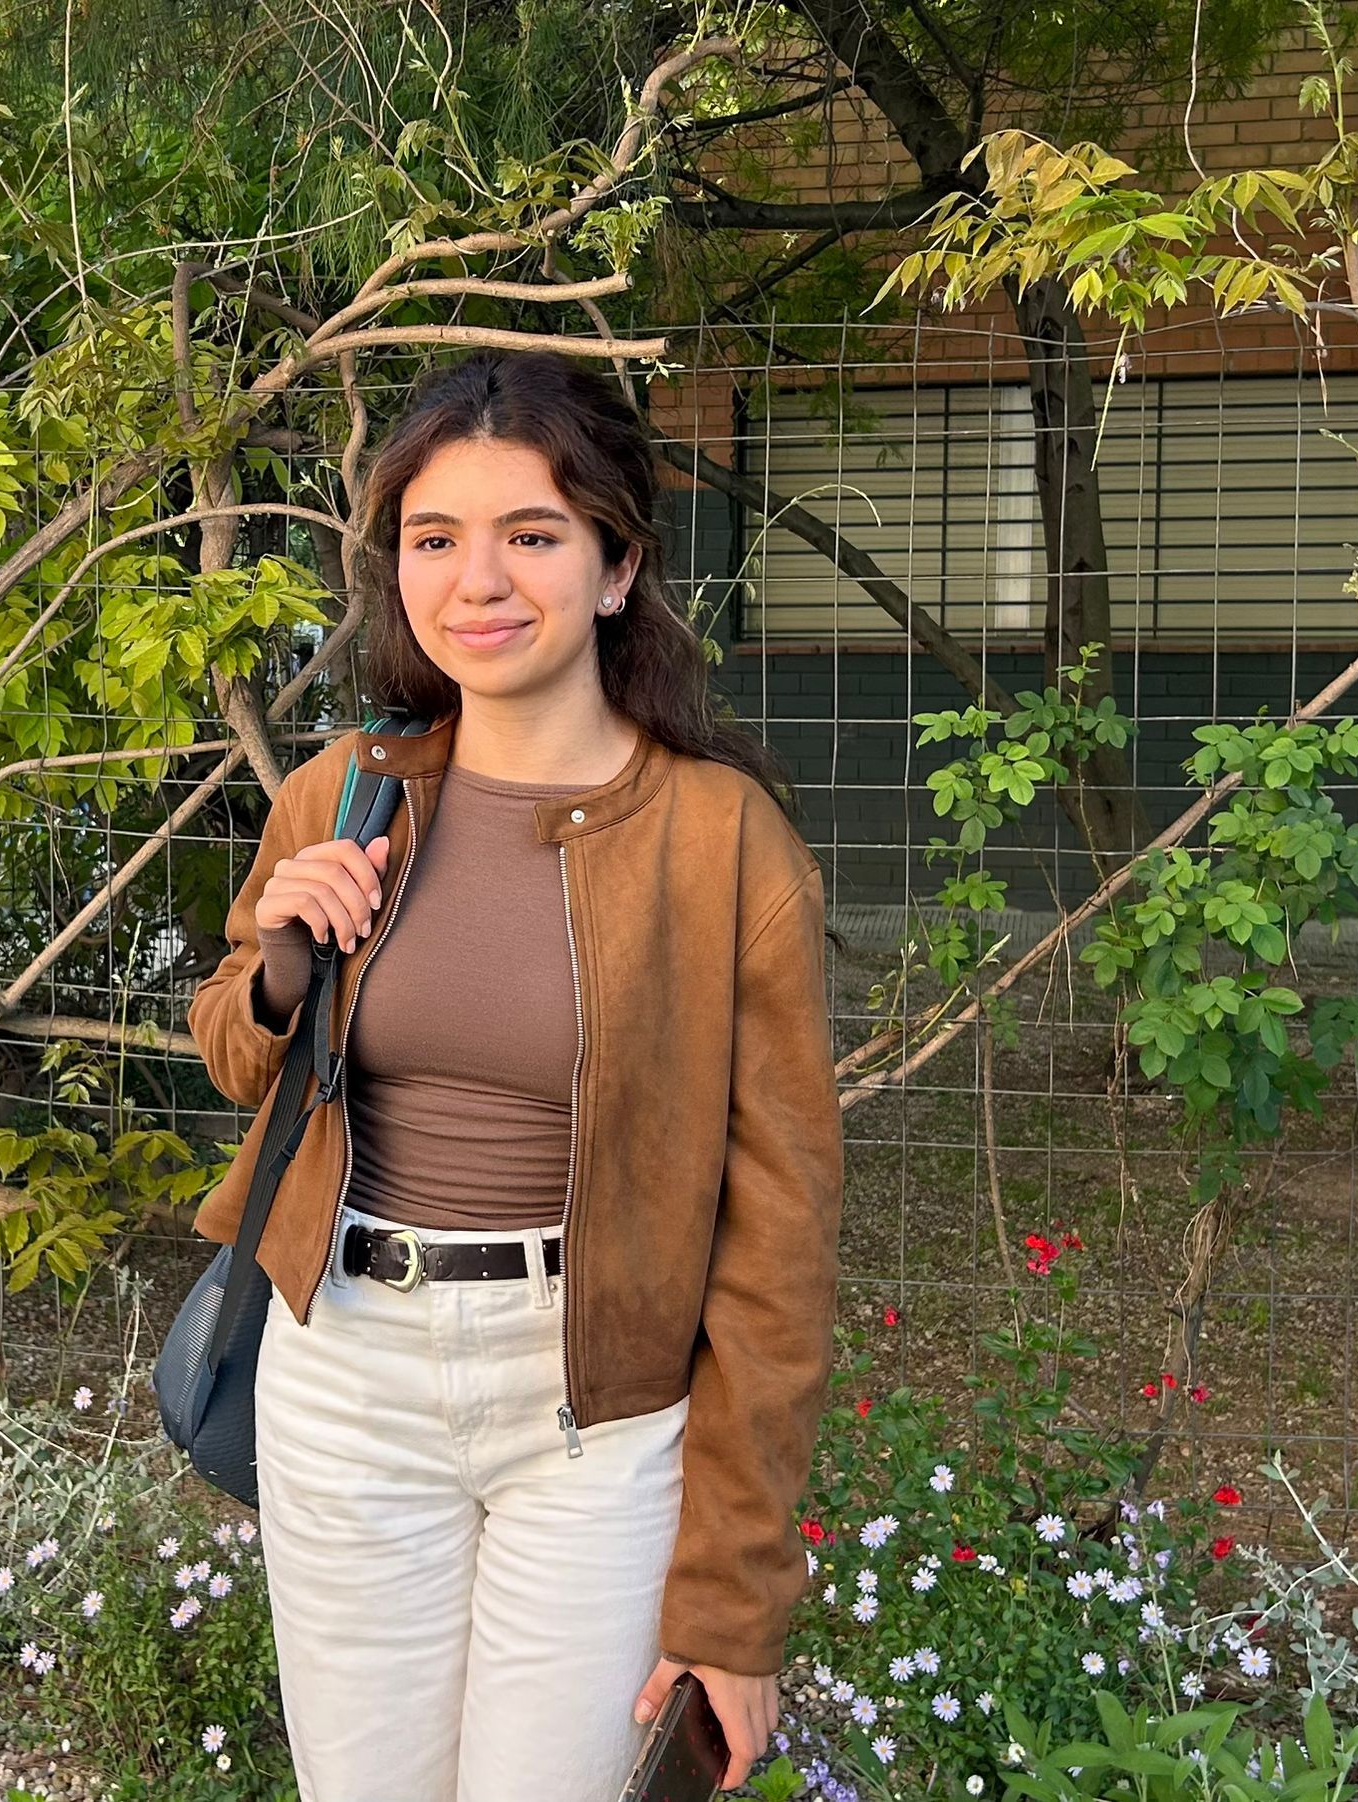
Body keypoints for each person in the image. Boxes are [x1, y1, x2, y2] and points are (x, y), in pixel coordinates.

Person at [186, 349, 843, 1802]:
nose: (477, 578)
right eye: (436, 539)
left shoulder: (722, 842)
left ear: (616, 568)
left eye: (531, 534)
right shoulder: (346, 788)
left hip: (595, 1406)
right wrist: (288, 957)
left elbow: (780, 1242)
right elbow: (235, 1043)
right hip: (343, 1369)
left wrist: (733, 1600)